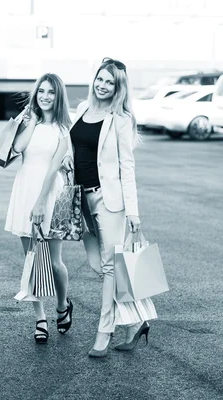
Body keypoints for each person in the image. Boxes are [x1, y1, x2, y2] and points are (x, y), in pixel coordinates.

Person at [63, 57, 155, 358]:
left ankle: (104, 331)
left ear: (118, 88)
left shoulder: (121, 119)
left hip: (109, 200)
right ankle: (135, 322)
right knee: (101, 265)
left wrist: (133, 213)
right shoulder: (82, 110)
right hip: (82, 199)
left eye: (110, 82)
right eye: (100, 79)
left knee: (109, 267)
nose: (102, 85)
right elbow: (75, 148)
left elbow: (127, 168)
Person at [5, 73, 73, 344]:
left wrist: (41, 203)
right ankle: (40, 318)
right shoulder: (30, 123)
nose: (45, 96)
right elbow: (18, 147)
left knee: (54, 262)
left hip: (50, 193)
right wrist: (31, 119)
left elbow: (54, 167)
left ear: (58, 97)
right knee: (31, 260)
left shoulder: (63, 129)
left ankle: (62, 305)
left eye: (51, 92)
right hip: (25, 189)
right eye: (41, 91)